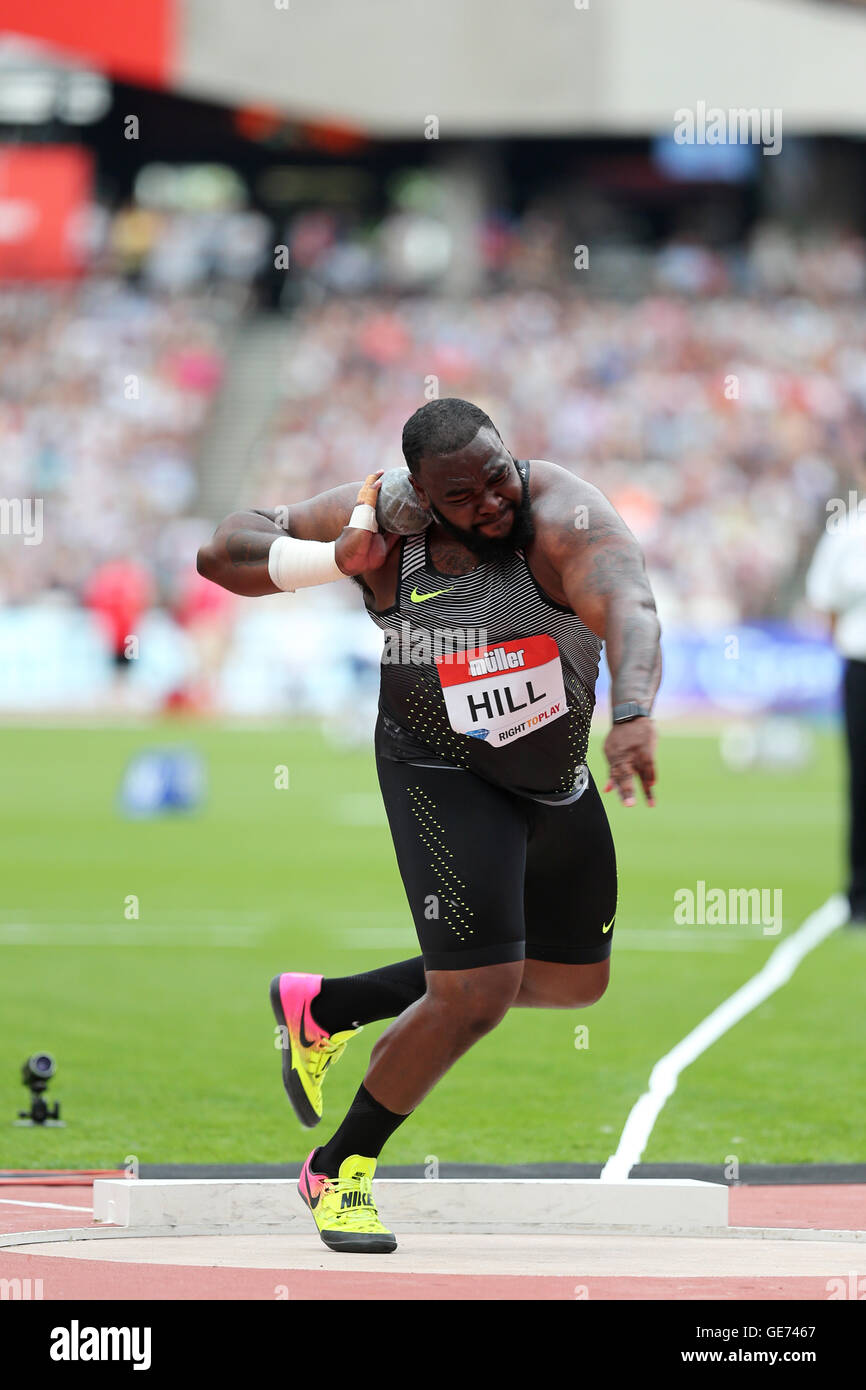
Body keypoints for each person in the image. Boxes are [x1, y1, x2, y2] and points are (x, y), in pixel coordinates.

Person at [197, 397, 662, 1252]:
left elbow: (630, 605)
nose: (493, 502)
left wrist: (631, 710)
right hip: (438, 768)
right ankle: (340, 1170)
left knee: (570, 981)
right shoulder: (382, 516)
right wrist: (331, 556)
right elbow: (220, 552)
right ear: (423, 492)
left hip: (552, 774)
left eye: (498, 476)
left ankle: (328, 1007)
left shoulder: (561, 515)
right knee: (475, 995)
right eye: (466, 495)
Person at [806, 499, 866, 925]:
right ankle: (859, 895)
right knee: (861, 780)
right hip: (861, 665)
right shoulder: (848, 530)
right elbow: (824, 599)